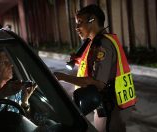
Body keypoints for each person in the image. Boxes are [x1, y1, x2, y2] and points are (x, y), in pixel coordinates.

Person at [54, 4, 131, 132]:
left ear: (92, 20)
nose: (76, 27)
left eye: (80, 22)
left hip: (110, 107)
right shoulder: (95, 42)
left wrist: (61, 77)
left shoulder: (102, 45)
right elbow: (97, 67)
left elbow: (98, 83)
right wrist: (78, 61)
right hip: (112, 105)